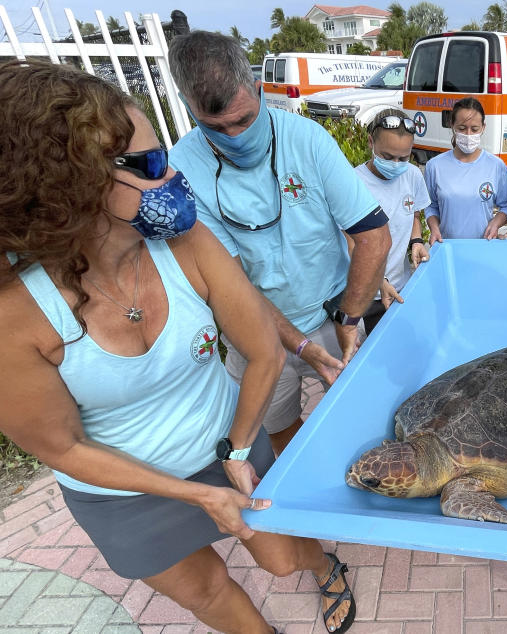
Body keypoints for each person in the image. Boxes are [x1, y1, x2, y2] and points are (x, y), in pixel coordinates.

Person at [0, 60, 356, 634]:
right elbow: (62, 448)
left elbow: (263, 348)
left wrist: (238, 449)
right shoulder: (15, 313)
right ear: (71, 187)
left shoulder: (183, 241)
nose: (173, 178)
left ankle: (325, 565)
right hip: (122, 493)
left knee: (284, 557)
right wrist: (189, 494)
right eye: (150, 165)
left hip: (225, 446)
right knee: (209, 594)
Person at [168, 31, 391, 456]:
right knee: (279, 427)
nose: (234, 136)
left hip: (332, 316)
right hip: (253, 332)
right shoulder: (182, 169)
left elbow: (374, 237)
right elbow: (231, 285)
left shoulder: (308, 140)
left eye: (244, 120)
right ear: (187, 107)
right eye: (215, 128)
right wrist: (298, 346)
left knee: (363, 418)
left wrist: (348, 319)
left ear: (258, 90)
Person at [353, 109, 431, 331]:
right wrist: (379, 282)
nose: (396, 164)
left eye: (403, 158)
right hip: (367, 294)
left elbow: (414, 214)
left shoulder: (413, 175)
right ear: (371, 142)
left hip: (402, 286)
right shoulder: (355, 183)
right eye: (388, 157)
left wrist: (416, 241)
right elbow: (350, 244)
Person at [423, 97, 507, 243]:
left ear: (483, 128)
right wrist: (434, 229)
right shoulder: (435, 166)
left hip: (483, 246)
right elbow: (430, 206)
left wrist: (495, 223)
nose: (468, 134)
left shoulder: (496, 166)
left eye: (474, 129)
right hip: (447, 246)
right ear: (452, 125)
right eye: (462, 128)